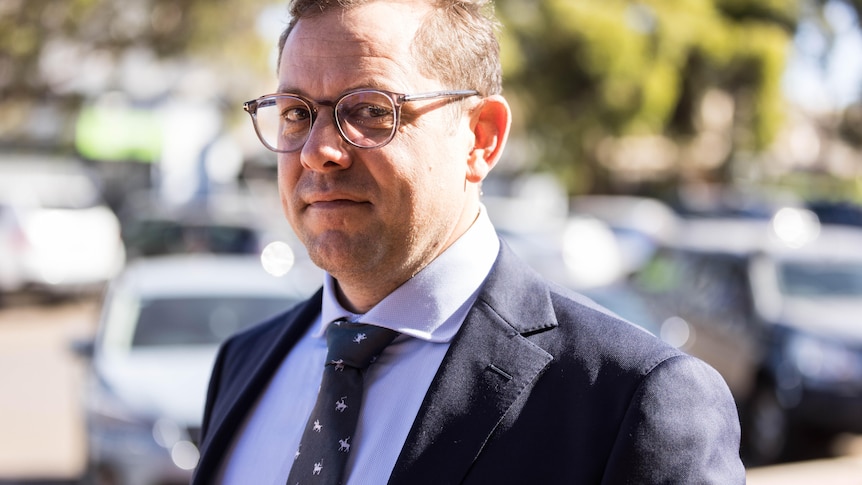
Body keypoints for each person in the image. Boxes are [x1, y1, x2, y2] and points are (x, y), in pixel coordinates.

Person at [192, 0, 746, 483]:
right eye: (296, 114)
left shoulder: (633, 401)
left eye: (368, 111)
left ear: (481, 138)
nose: (318, 151)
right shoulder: (243, 364)